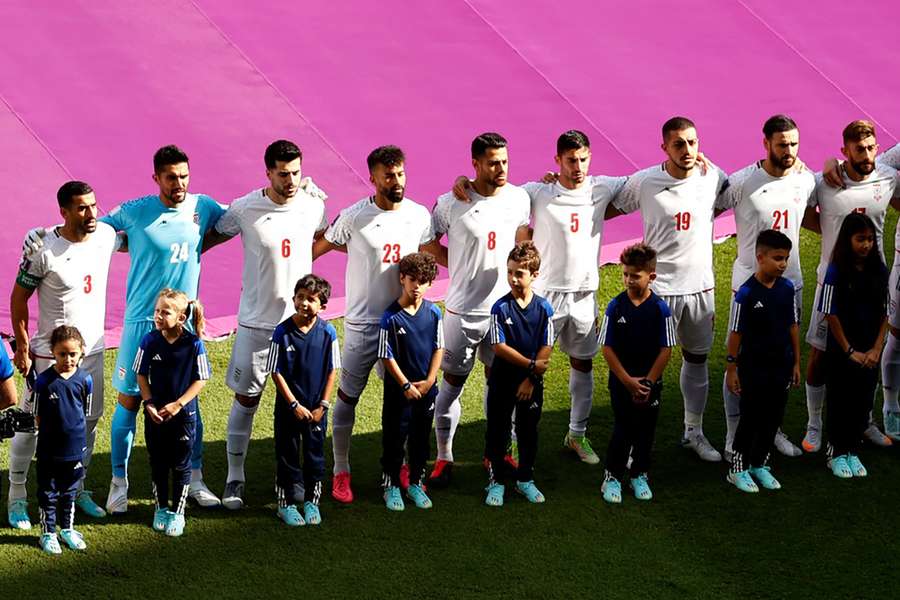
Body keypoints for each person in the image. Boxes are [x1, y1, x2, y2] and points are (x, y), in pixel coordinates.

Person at [453, 130, 626, 464]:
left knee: (583, 363)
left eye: (583, 159)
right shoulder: (537, 192)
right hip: (544, 298)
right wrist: (464, 180)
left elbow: (643, 181)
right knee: (524, 370)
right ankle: (514, 441)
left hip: (584, 295)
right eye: (571, 160)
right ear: (557, 160)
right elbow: (496, 192)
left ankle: (577, 435)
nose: (578, 166)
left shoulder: (603, 188)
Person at [201, 140, 328, 510]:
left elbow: (318, 237)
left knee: (302, 403)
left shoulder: (314, 204)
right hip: (257, 323)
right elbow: (211, 236)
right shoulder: (244, 209)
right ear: (268, 172)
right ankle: (235, 478)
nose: (290, 180)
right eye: (283, 173)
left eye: (296, 172)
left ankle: (293, 479)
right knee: (247, 399)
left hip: (301, 325)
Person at [100, 145, 224, 513]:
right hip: (141, 321)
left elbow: (233, 221)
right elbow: (98, 229)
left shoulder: (203, 207)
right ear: (156, 178)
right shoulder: (136, 211)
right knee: (129, 400)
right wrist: (126, 243)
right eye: (171, 177)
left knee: (190, 400)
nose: (179, 184)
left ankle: (196, 478)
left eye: (184, 176)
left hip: (184, 325)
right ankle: (118, 483)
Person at [312, 145, 435, 503]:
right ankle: (340, 471)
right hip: (364, 325)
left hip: (403, 326)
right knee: (348, 398)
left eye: (400, 174)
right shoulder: (354, 217)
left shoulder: (418, 215)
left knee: (406, 400)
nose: (396, 181)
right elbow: (318, 247)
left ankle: (403, 470)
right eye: (388, 175)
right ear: (373, 177)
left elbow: (431, 254)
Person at [611, 117, 728, 462]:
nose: (688, 150)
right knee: (646, 367)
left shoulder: (712, 177)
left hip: (699, 288)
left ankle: (694, 431)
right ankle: (632, 442)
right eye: (679, 144)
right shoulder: (646, 182)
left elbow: (739, 191)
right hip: (658, 293)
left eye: (692, 142)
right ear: (664, 147)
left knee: (697, 357)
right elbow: (605, 200)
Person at [8, 181, 118, 529]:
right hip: (47, 358)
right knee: (32, 426)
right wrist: (23, 347)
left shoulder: (105, 236)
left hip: (92, 353)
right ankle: (17, 496)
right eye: (82, 208)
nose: (91, 214)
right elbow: (17, 299)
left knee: (88, 420)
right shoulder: (43, 248)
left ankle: (78, 487)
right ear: (64, 212)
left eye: (94, 205)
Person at [430, 132, 531, 487]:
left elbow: (523, 244)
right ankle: (444, 456)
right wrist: (455, 264)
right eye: (492, 162)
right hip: (462, 312)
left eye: (504, 160)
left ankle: (498, 451)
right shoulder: (450, 202)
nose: (500, 168)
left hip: (503, 313)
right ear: (474, 163)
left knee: (500, 385)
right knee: (452, 383)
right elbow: (428, 242)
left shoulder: (520, 198)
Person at [715, 115, 816, 461]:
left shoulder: (805, 178)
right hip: (748, 286)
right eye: (782, 144)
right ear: (766, 144)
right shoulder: (743, 181)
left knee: (779, 358)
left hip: (791, 284)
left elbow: (819, 211)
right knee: (741, 361)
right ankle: (732, 436)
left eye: (794, 144)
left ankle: (771, 431)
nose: (788, 150)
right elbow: (705, 208)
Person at [802, 121, 900, 453]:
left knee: (869, 352)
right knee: (820, 354)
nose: (868, 154)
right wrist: (833, 234)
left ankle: (865, 421)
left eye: (872, 147)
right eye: (860, 149)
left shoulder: (888, 177)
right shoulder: (824, 181)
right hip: (831, 281)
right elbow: (802, 213)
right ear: (845, 150)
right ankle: (814, 424)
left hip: (874, 283)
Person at [725, 230, 801, 493]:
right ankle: (737, 469)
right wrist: (732, 368)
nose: (783, 264)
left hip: (781, 366)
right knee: (751, 417)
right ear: (760, 257)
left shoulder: (787, 288)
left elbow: (792, 326)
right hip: (753, 367)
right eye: (778, 258)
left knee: (773, 417)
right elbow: (735, 333)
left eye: (786, 258)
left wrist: (796, 363)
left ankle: (760, 464)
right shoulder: (745, 293)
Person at [599, 244, 674, 504]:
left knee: (646, 430)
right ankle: (612, 475)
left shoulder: (661, 310)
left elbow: (666, 349)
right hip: (622, 383)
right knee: (623, 428)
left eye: (635, 275)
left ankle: (639, 473)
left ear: (651, 276)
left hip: (649, 384)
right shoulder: (615, 307)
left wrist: (648, 382)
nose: (629, 280)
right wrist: (628, 381)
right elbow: (606, 348)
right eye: (626, 275)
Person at [136, 289, 211, 537]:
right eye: (157, 311)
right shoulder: (149, 341)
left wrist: (178, 404)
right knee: (157, 462)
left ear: (181, 318)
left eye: (165, 312)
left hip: (183, 417)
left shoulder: (193, 344)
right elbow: (141, 374)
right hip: (155, 415)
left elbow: (201, 379)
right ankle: (160, 508)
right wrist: (148, 404)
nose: (158, 316)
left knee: (180, 465)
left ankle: (178, 513)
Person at [483, 241, 553, 507]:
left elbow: (547, 347)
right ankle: (497, 481)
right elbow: (498, 347)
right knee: (498, 431)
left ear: (534, 275)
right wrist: (531, 365)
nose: (512, 278)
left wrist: (531, 378)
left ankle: (525, 479)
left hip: (530, 384)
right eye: (510, 271)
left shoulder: (545, 309)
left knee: (528, 431)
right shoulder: (500, 308)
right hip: (502, 380)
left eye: (519, 273)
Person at [819, 214, 888, 479]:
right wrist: (849, 350)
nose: (867, 245)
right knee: (840, 400)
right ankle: (835, 452)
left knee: (862, 401)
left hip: (870, 350)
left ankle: (852, 450)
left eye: (870, 239)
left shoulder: (879, 270)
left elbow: (886, 312)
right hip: (842, 351)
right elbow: (829, 313)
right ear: (848, 240)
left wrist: (875, 349)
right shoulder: (835, 270)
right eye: (861, 239)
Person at [268, 275, 339, 527]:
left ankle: (312, 502)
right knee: (287, 455)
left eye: (311, 299)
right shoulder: (282, 332)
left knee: (314, 456)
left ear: (323, 305)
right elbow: (275, 371)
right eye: (300, 297)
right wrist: (293, 405)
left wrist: (323, 405)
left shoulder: (329, 332)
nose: (304, 303)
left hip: (317, 410)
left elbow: (332, 370)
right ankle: (285, 504)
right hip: (289, 410)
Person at [378, 252, 444, 511]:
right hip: (399, 392)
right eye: (412, 280)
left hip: (426, 390)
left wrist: (429, 381)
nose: (417, 286)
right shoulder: (391, 317)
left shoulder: (433, 313)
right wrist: (405, 385)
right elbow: (386, 354)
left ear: (430, 284)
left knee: (420, 438)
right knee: (394, 438)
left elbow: (439, 348)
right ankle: (391, 485)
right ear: (402, 279)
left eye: (423, 281)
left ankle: (416, 481)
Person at [33, 325, 92, 554]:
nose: (68, 359)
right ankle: (47, 532)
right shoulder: (44, 382)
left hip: (75, 448)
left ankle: (67, 529)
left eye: (73, 354)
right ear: (52, 352)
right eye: (62, 354)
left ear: (81, 353)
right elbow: (37, 414)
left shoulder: (85, 380)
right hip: (49, 449)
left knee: (69, 490)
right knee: (48, 491)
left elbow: (84, 413)